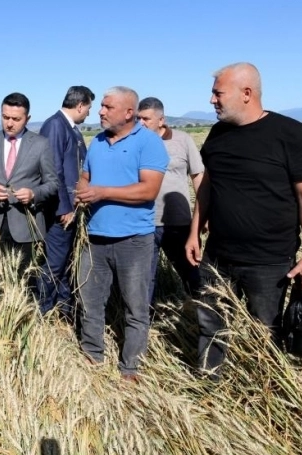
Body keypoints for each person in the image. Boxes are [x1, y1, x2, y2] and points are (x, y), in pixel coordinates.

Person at [185, 62, 302, 378]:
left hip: (269, 261)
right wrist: (195, 232)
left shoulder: (289, 134)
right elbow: (207, 188)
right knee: (211, 324)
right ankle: (209, 383)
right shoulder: (218, 134)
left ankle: (266, 388)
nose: (212, 100)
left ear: (246, 93)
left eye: (218, 93)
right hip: (218, 255)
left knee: (266, 331)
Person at [75, 86, 168, 380]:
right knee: (90, 301)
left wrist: (102, 192)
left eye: (107, 107)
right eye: (101, 106)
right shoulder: (98, 142)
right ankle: (93, 357)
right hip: (95, 238)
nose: (100, 111)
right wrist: (81, 190)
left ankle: (130, 368)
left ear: (129, 113)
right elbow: (85, 177)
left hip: (134, 240)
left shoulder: (149, 143)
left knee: (135, 306)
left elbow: (149, 189)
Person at [0, 92, 58, 280]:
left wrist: (34, 194)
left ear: (27, 119)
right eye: (5, 117)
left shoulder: (41, 145)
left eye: (16, 119)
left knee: (26, 286)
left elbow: (52, 183)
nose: (9, 123)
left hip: (27, 229)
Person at [136, 97, 204, 302]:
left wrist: (203, 215)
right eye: (139, 118)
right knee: (145, 280)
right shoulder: (135, 143)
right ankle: (144, 325)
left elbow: (198, 176)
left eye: (146, 119)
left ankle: (198, 316)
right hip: (144, 222)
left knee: (191, 274)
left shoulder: (182, 140)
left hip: (178, 222)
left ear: (161, 120)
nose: (141, 123)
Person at [38, 86, 94, 319]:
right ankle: (43, 311)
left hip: (71, 210)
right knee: (54, 263)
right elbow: (54, 171)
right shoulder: (55, 126)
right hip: (59, 212)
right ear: (80, 105)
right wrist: (64, 208)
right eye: (88, 108)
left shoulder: (71, 129)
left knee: (66, 262)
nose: (89, 114)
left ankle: (63, 311)